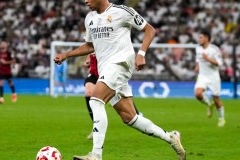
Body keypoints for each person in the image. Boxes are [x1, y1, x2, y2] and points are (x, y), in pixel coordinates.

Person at [54, 1, 186, 160]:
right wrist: (67, 55)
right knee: (130, 117)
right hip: (106, 69)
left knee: (95, 100)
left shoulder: (122, 11)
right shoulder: (90, 18)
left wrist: (141, 54)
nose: (86, 1)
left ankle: (96, 154)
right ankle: (170, 137)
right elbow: (90, 45)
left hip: (120, 63)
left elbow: (149, 30)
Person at [194, 29, 226, 127]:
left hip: (213, 77)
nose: (199, 39)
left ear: (207, 38)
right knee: (198, 94)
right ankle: (209, 104)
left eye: (201, 37)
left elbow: (219, 64)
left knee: (216, 99)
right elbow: (198, 60)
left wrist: (208, 59)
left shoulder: (214, 49)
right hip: (202, 76)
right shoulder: (198, 48)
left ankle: (221, 118)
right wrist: (197, 67)